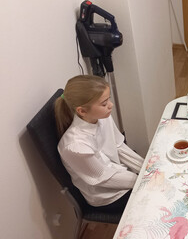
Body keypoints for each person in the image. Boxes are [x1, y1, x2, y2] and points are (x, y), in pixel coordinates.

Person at [55, 75, 144, 211]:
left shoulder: (101, 116)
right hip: (107, 195)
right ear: (82, 111)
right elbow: (102, 178)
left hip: (121, 174)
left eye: (108, 99)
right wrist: (142, 180)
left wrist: (146, 167)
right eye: (104, 103)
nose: (111, 105)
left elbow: (119, 147)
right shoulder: (74, 146)